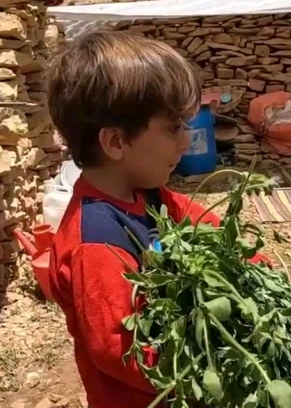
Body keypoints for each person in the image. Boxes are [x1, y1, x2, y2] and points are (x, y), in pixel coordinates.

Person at [44, 29, 268, 408]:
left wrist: (258, 273)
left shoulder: (147, 194)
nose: (185, 142)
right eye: (174, 128)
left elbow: (208, 227)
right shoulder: (96, 241)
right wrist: (208, 368)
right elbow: (118, 350)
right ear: (116, 142)